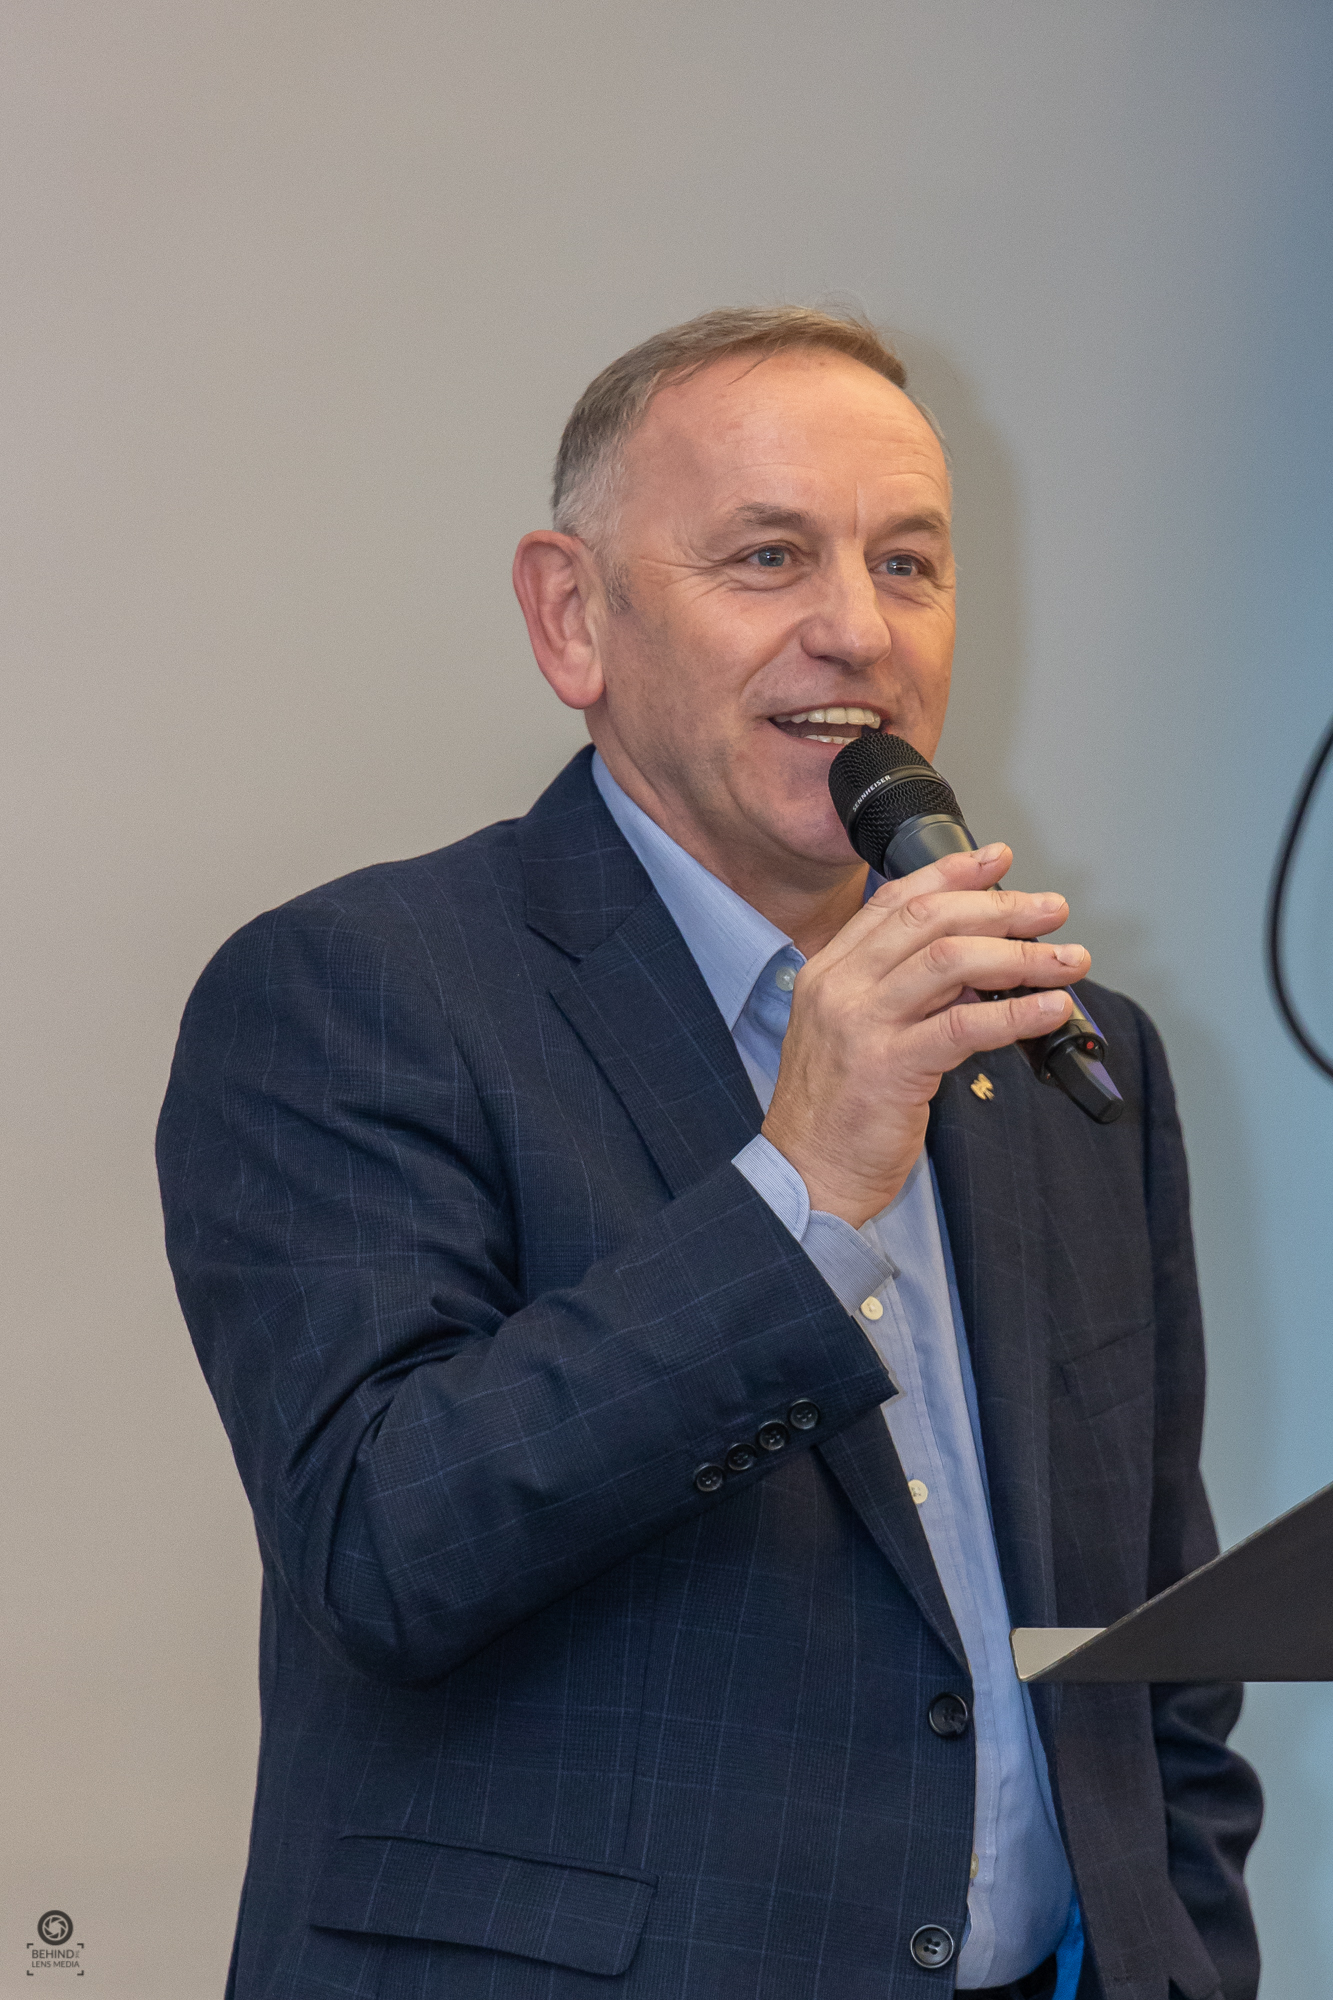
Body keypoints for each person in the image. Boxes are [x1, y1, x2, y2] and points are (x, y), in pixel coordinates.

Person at [156, 306, 1261, 2000]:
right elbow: (381, 1550)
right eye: (767, 557)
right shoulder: (355, 990)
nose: (855, 631)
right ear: (571, 616)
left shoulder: (1056, 1044)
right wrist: (798, 1188)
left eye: (907, 565)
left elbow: (1149, 1641)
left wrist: (1178, 1947)